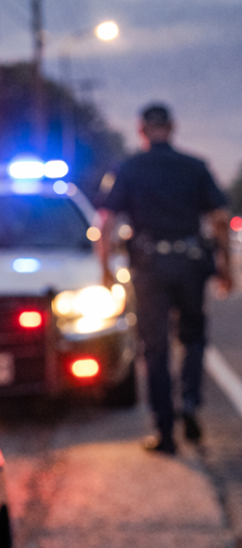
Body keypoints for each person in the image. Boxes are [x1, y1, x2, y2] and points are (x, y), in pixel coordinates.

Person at [96, 102, 233, 455]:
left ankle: (165, 430)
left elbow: (106, 222)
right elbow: (220, 217)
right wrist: (226, 268)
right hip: (190, 264)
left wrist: (105, 271)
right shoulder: (195, 167)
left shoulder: (128, 169)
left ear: (141, 130)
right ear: (172, 128)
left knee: (154, 348)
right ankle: (189, 399)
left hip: (150, 267)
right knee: (193, 338)